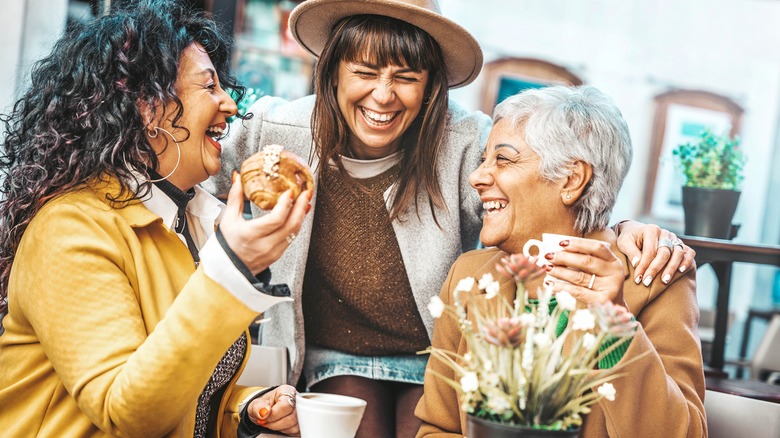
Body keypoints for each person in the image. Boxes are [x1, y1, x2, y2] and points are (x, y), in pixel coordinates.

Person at [205, 1, 695, 436]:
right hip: (334, 350)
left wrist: (624, 232)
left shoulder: (466, 142)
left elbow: (549, 203)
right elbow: (191, 170)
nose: (383, 95)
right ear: (332, 71)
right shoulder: (275, 129)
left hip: (431, 349)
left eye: (406, 77)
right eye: (365, 71)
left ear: (431, 86)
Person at [0, 1, 309, 436]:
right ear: (149, 108)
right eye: (209, 88)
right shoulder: (70, 228)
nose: (231, 107)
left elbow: (176, 384)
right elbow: (128, 412)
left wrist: (243, 406)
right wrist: (230, 271)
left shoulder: (189, 223)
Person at [415, 85, 706, 437]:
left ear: (571, 179)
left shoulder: (655, 276)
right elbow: (438, 427)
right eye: (483, 160)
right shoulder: (470, 276)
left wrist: (614, 325)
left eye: (503, 159)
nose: (477, 177)